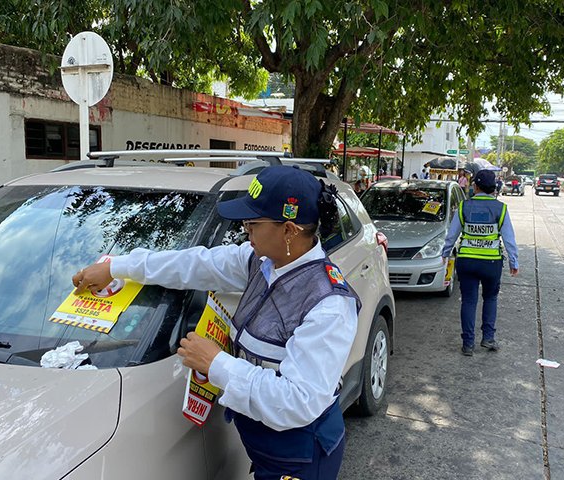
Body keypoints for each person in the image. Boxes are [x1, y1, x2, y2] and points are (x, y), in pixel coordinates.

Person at [72, 165, 360, 479]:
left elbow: (298, 401)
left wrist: (216, 363)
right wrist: (117, 267)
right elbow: (194, 264)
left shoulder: (328, 304)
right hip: (265, 446)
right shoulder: (261, 263)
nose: (245, 230)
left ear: (289, 230)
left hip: (300, 457)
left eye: (253, 222)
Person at [442, 169, 519, 356]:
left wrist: (445, 253)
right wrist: (513, 262)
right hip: (491, 263)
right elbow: (509, 238)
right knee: (490, 298)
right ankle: (488, 338)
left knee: (468, 301)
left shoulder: (464, 207)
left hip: (467, 261)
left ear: (475, 186)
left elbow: (452, 234)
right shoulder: (501, 208)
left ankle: (468, 344)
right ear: (493, 188)